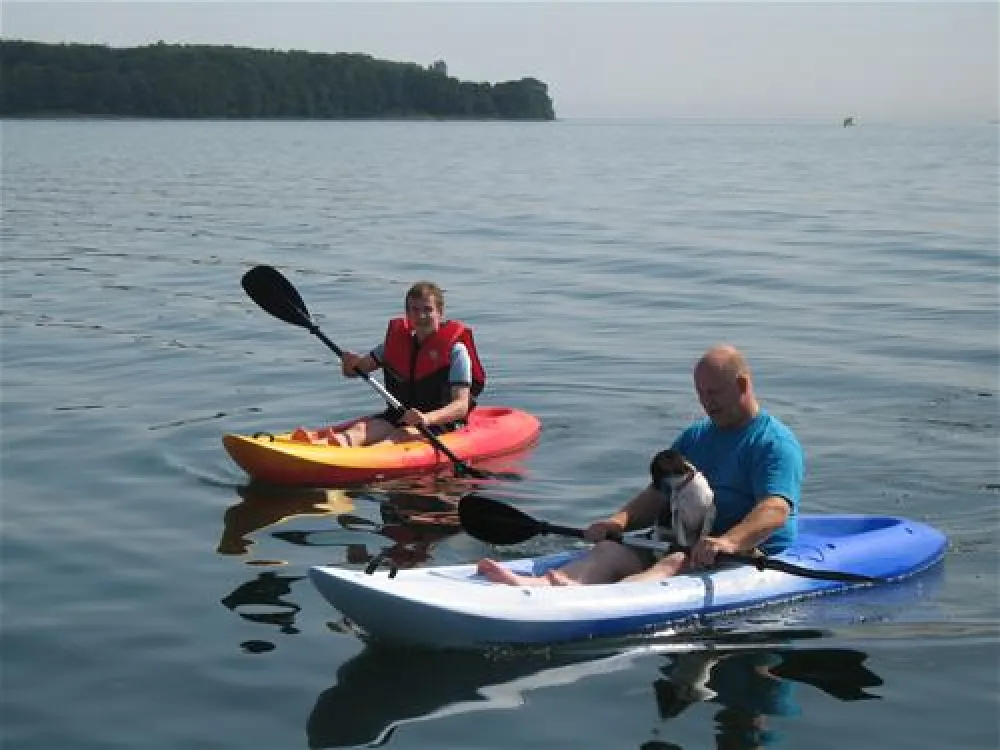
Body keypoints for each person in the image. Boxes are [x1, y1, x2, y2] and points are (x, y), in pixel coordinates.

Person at [477, 344, 804, 586]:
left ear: (743, 386)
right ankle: (547, 584)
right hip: (687, 538)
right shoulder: (696, 436)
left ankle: (596, 599)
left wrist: (730, 541)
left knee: (674, 562)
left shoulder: (773, 443)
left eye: (714, 392)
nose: (707, 402)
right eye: (701, 393)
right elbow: (658, 493)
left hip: (743, 554)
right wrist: (618, 522)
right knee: (609, 549)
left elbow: (775, 509)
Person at [292, 281, 485, 446]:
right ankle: (323, 446)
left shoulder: (456, 351)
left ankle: (359, 460)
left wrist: (426, 418)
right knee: (360, 430)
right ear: (407, 314)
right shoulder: (391, 346)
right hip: (398, 415)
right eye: (414, 310)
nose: (421, 316)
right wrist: (349, 363)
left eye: (427, 310)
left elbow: (460, 407)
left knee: (400, 436)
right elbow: (354, 371)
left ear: (440, 312)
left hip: (440, 424)